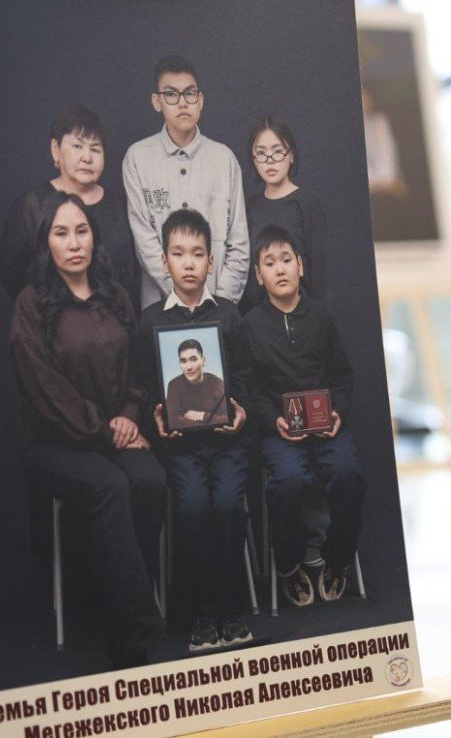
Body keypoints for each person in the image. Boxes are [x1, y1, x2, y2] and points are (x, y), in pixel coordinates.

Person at [10, 190, 164, 668]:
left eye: (82, 231)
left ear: (94, 237)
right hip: (56, 443)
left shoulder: (115, 295)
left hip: (117, 429)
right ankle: (133, 633)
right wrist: (106, 430)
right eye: (61, 233)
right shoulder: (32, 304)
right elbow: (47, 392)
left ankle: (120, 603)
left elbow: (139, 370)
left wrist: (129, 416)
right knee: (110, 485)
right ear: (46, 243)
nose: (74, 243)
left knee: (151, 481)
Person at [138, 208, 252, 652]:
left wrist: (241, 411)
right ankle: (201, 610)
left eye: (198, 254)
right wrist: (156, 417)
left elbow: (245, 376)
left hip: (227, 444)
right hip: (180, 448)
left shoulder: (230, 315)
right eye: (179, 253)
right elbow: (146, 387)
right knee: (191, 509)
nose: (189, 263)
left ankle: (231, 606)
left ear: (211, 262)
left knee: (228, 505)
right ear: (164, 261)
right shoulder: (151, 321)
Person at [234, 225, 365, 607]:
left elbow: (343, 376)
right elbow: (248, 388)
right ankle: (290, 564)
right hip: (280, 432)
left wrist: (337, 412)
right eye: (269, 263)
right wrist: (272, 419)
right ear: (258, 275)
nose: (280, 269)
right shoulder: (250, 326)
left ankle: (337, 559)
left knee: (348, 474)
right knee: (288, 480)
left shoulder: (321, 317)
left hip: (327, 428)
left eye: (286, 260)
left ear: (301, 266)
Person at [124, 55, 249, 309]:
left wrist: (218, 304)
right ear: (157, 101)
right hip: (160, 308)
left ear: (200, 100)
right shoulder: (137, 158)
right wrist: (182, 297)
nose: (182, 103)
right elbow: (144, 242)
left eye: (189, 94)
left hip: (218, 305)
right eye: (171, 94)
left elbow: (239, 243)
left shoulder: (224, 159)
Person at [0, 105, 140, 307]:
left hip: (117, 320)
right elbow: (11, 272)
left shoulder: (121, 205)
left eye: (95, 149)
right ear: (56, 150)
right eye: (77, 146)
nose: (87, 157)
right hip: (53, 321)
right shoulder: (33, 205)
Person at [241, 116, 328, 311]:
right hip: (259, 316)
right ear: (253, 159)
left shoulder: (308, 204)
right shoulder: (249, 208)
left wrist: (318, 318)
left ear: (291, 155)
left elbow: (320, 272)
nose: (270, 161)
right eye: (261, 153)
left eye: (278, 151)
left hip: (303, 313)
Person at [164, 339, 229, 429]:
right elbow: (171, 421)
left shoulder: (217, 383)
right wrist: (210, 422)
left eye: (193, 359)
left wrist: (202, 416)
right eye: (183, 361)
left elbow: (228, 419)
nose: (189, 367)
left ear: (204, 361)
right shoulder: (174, 385)